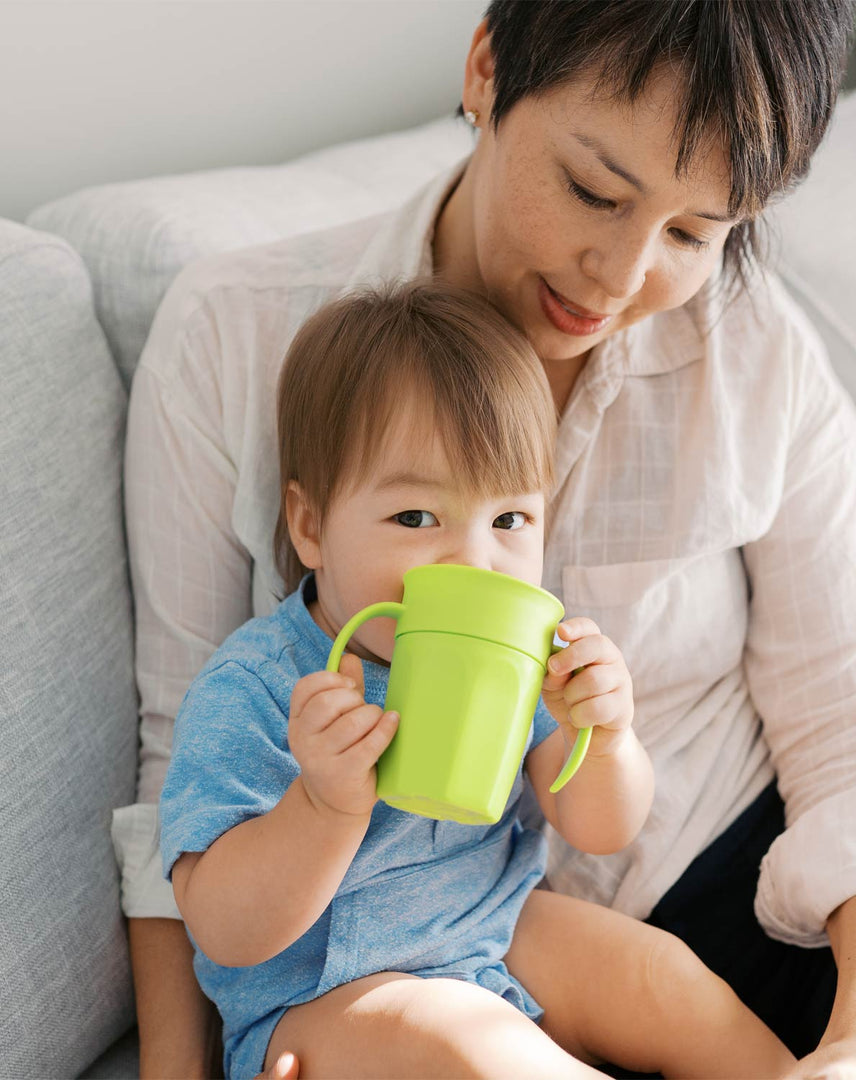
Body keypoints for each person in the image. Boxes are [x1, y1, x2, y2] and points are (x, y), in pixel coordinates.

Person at [116, 3, 856, 1078]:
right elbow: (173, 777)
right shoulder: (238, 337)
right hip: (389, 959)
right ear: (486, 68)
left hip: (753, 882)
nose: (619, 279)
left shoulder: (754, 352)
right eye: (594, 190)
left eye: (691, 232)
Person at [158, 280, 797, 1080]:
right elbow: (222, 927)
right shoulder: (258, 685)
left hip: (492, 929)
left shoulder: (515, 655)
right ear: (311, 525)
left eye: (508, 522)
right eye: (418, 519)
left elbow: (600, 828)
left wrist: (604, 737)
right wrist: (321, 806)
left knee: (659, 975)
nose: (474, 560)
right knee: (463, 1040)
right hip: (325, 1008)